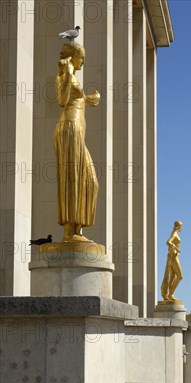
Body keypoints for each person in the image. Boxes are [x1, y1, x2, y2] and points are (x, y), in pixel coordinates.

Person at [54, 42, 100, 242]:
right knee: (71, 177)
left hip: (77, 131)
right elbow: (63, 100)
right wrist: (68, 70)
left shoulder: (71, 77)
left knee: (90, 181)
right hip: (69, 129)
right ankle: (69, 232)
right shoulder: (65, 75)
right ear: (73, 57)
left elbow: (75, 98)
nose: (84, 61)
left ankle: (77, 229)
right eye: (81, 57)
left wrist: (89, 99)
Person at [160, 221, 183, 301]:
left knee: (172, 277)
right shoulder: (174, 234)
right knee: (180, 276)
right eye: (181, 226)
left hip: (174, 256)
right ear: (179, 226)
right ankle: (171, 294)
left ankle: (169, 295)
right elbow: (168, 242)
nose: (181, 228)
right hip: (173, 256)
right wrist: (176, 248)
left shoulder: (175, 233)